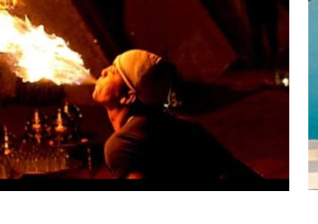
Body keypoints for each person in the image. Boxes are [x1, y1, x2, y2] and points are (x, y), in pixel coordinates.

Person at [92, 50, 260, 186]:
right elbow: (241, 174)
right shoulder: (188, 128)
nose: (103, 71)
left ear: (128, 97)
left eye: (113, 72)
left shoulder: (123, 145)